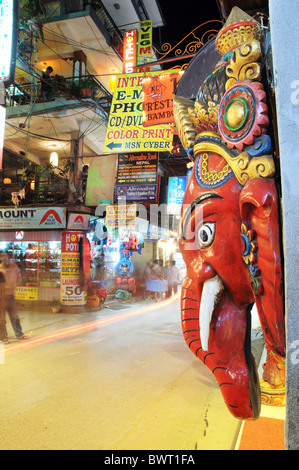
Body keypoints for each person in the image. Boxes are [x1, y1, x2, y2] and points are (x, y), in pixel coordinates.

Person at [0, 252, 28, 344]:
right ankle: (4, 337)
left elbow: (18, 276)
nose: (3, 258)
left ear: (8, 257)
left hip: (11, 295)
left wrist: (14, 285)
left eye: (5, 255)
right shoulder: (0, 268)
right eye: (1, 256)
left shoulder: (13, 266)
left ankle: (19, 333)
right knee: (2, 319)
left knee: (14, 316)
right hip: (1, 296)